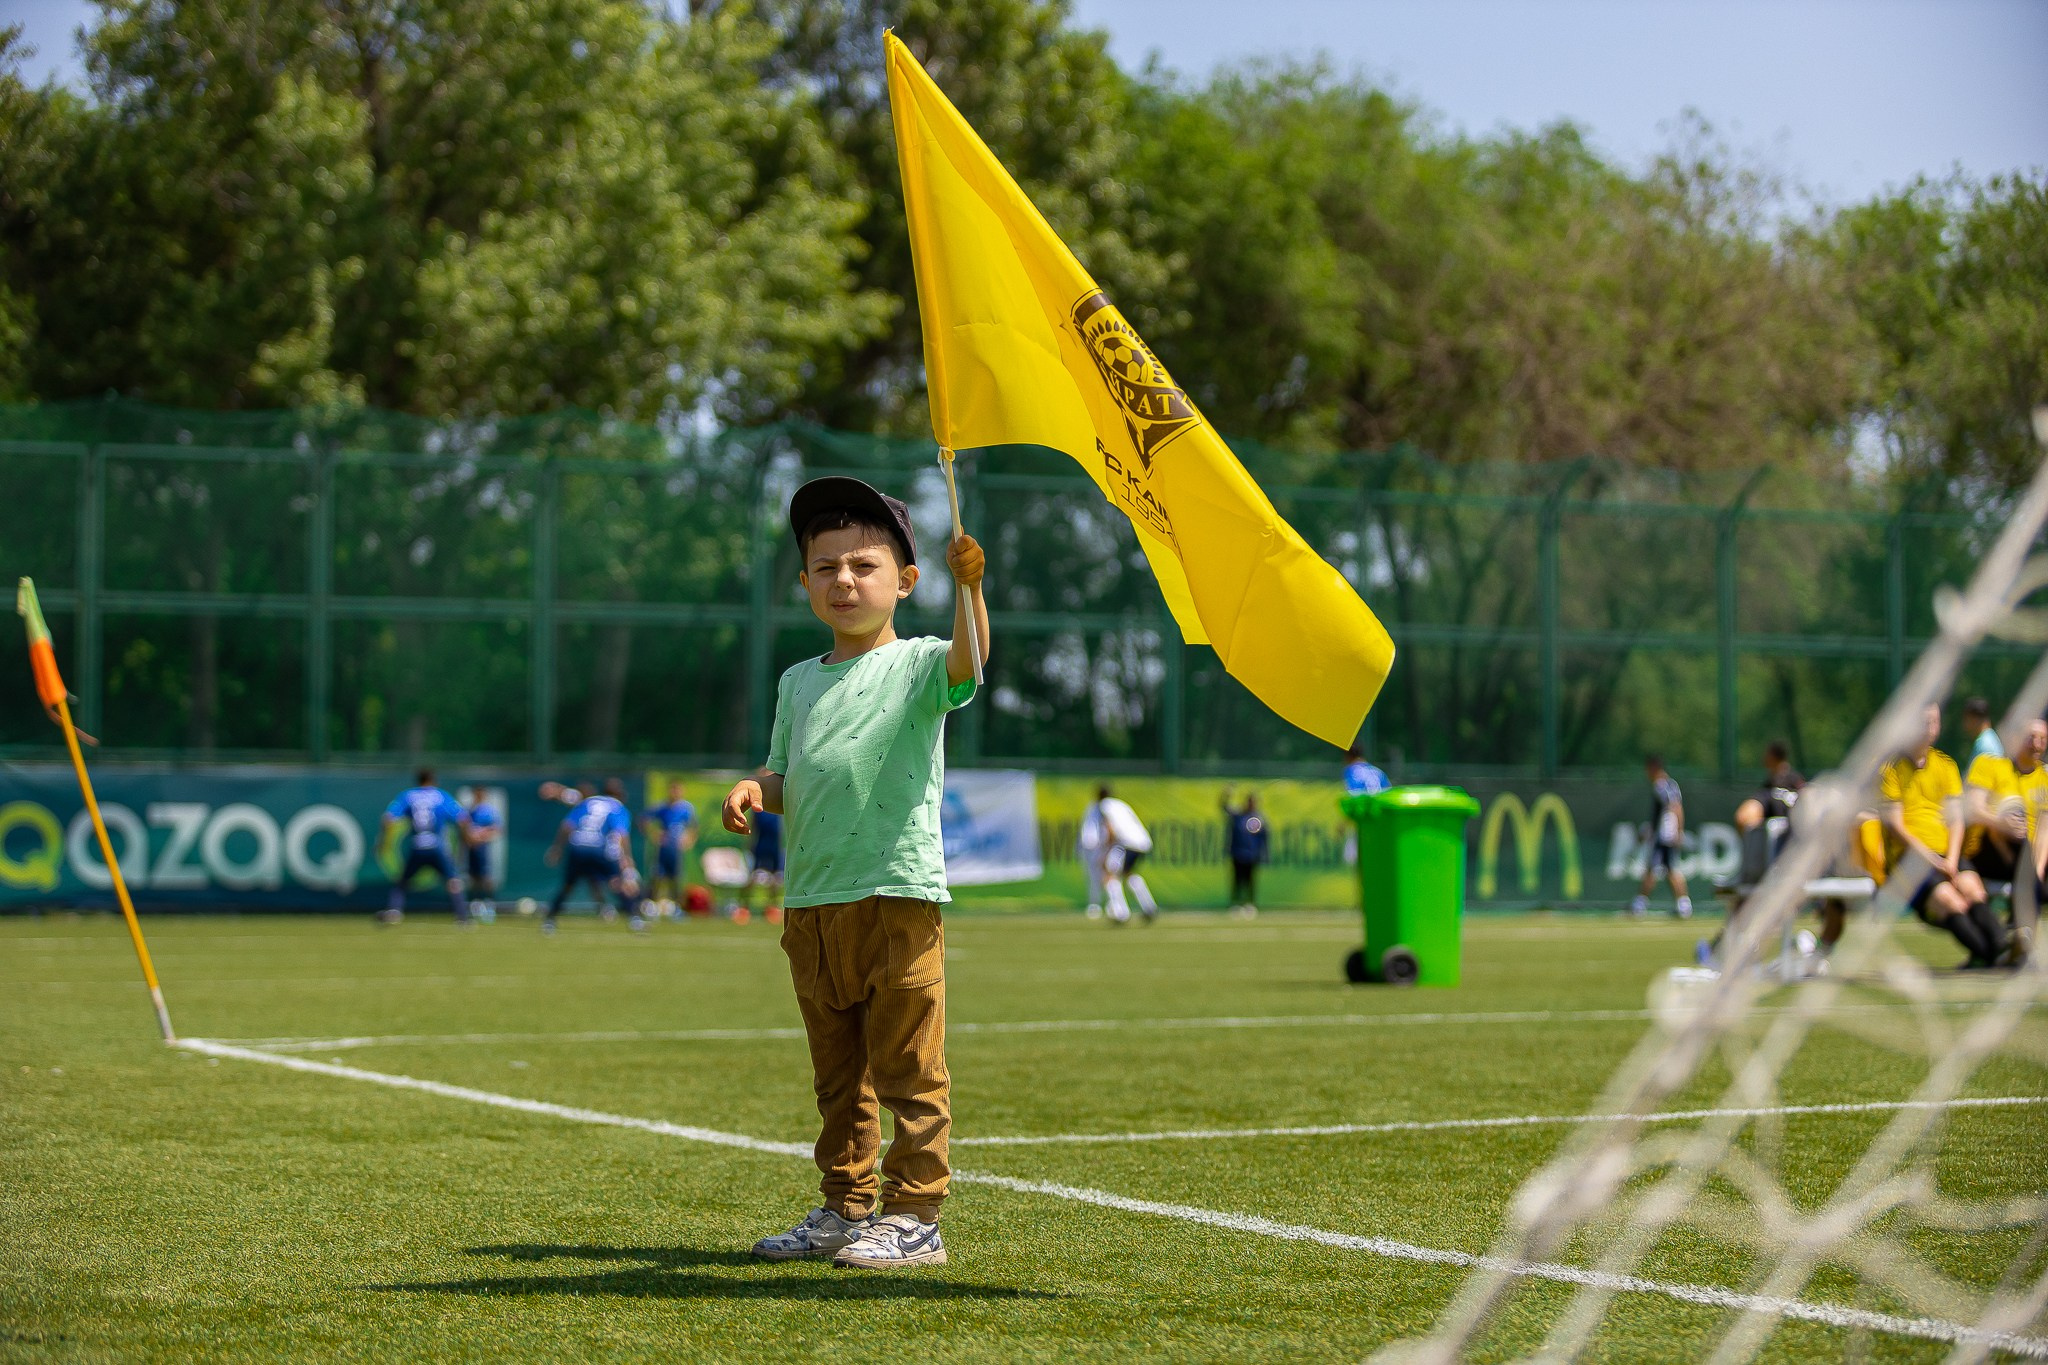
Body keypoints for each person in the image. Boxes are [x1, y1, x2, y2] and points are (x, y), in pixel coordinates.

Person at [721, 475, 985, 1270]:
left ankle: (916, 1214)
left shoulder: (919, 664)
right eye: (825, 566)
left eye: (863, 566)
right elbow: (784, 774)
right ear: (803, 582)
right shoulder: (797, 682)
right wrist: (752, 788)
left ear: (904, 581)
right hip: (812, 905)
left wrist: (972, 593)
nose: (844, 580)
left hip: (896, 893)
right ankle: (844, 1205)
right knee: (837, 1077)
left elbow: (971, 661)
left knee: (909, 1065)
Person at [1881, 703, 2001, 968]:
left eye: (1934, 722)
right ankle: (1995, 955)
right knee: (1948, 899)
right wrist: (1932, 860)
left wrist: (1952, 858)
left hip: (1948, 854)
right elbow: (1894, 826)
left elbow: (1956, 820)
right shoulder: (1891, 769)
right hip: (1909, 861)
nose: (1929, 728)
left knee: (1971, 888)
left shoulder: (1945, 765)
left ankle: (1999, 951)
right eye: (1923, 721)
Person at [544, 777, 641, 933]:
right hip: (598, 847)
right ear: (621, 795)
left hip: (578, 846)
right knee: (616, 882)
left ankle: (550, 920)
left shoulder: (587, 802)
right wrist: (627, 858)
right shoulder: (618, 807)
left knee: (567, 886)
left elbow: (567, 826)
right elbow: (621, 833)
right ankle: (634, 919)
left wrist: (557, 848)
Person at [378, 769, 470, 925]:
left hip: (417, 846)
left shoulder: (408, 796)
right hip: (437, 846)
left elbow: (388, 819)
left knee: (402, 881)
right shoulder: (441, 795)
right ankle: (462, 917)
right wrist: (466, 838)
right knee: (452, 880)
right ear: (433, 780)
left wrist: (383, 842)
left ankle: (394, 911)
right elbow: (462, 818)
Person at [1630, 754, 1692, 920]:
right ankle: (1684, 906)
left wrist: (1676, 830)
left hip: (1664, 836)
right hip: (1667, 834)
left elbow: (1674, 807)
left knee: (1653, 869)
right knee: (1671, 869)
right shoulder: (1672, 784)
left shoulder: (1661, 785)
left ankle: (1639, 905)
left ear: (1653, 768)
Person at [1097, 784, 1158, 924]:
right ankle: (1149, 907)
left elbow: (1110, 830)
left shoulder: (1104, 805)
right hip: (1142, 841)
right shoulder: (1121, 804)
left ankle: (1120, 912)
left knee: (1109, 873)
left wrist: (1105, 851)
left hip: (1126, 843)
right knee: (1127, 873)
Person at [642, 780, 699, 917]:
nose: (675, 793)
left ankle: (677, 908)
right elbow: (644, 819)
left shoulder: (686, 808)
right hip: (663, 848)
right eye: (672, 790)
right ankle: (650, 906)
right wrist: (655, 834)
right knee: (657, 876)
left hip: (676, 849)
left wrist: (688, 840)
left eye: (677, 790)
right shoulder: (662, 807)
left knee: (676, 878)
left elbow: (694, 827)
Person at [1734, 740, 1805, 833]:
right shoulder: (1798, 781)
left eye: (1766, 754)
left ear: (1772, 756)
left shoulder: (1770, 789)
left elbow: (1743, 818)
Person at [1221, 788, 1269, 916]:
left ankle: (1249, 905)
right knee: (1237, 881)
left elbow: (1264, 837)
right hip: (1238, 854)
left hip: (1252, 855)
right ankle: (1236, 905)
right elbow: (1225, 808)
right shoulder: (1238, 816)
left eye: (1253, 802)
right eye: (1249, 801)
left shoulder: (1259, 818)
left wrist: (1263, 854)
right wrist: (1226, 795)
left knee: (1250, 882)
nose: (1251, 804)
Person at [463, 788, 501, 923]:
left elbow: (496, 829)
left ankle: (489, 904)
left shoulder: (488, 811)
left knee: (485, 877)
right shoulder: (470, 811)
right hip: (471, 848)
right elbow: (464, 829)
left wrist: (482, 836)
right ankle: (476, 905)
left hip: (482, 848)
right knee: (474, 878)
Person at [748, 806, 785, 926]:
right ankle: (746, 905)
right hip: (760, 845)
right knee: (753, 875)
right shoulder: (757, 808)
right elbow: (753, 826)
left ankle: (772, 905)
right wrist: (750, 843)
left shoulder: (776, 807)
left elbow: (780, 829)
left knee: (774, 876)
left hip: (773, 846)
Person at [1077, 797, 1107, 918]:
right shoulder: (1091, 806)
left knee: (1107, 875)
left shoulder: (1107, 807)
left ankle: (1113, 905)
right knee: (1093, 876)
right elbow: (1086, 828)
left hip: (1101, 846)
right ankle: (1095, 905)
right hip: (1090, 846)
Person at [1962, 696, 2005, 763]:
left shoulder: (1985, 744)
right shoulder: (1989, 739)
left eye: (1966, 719)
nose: (1965, 724)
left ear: (1974, 719)